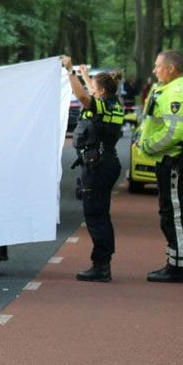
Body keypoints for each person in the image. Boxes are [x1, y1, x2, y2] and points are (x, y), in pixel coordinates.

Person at [137, 50, 183, 284]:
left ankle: (178, 269)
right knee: (170, 212)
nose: (155, 70)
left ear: (171, 68)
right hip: (177, 159)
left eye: (158, 66)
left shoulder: (176, 91)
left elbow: (174, 131)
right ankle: (174, 263)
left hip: (176, 160)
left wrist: (149, 146)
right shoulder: (179, 88)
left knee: (174, 214)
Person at [62, 57, 124, 282]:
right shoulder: (113, 105)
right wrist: (86, 76)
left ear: (102, 91)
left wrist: (70, 71)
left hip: (98, 165)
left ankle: (101, 266)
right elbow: (90, 93)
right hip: (106, 162)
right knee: (101, 213)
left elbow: (83, 97)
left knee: (96, 215)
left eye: (95, 88)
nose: (92, 91)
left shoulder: (101, 106)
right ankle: (102, 262)